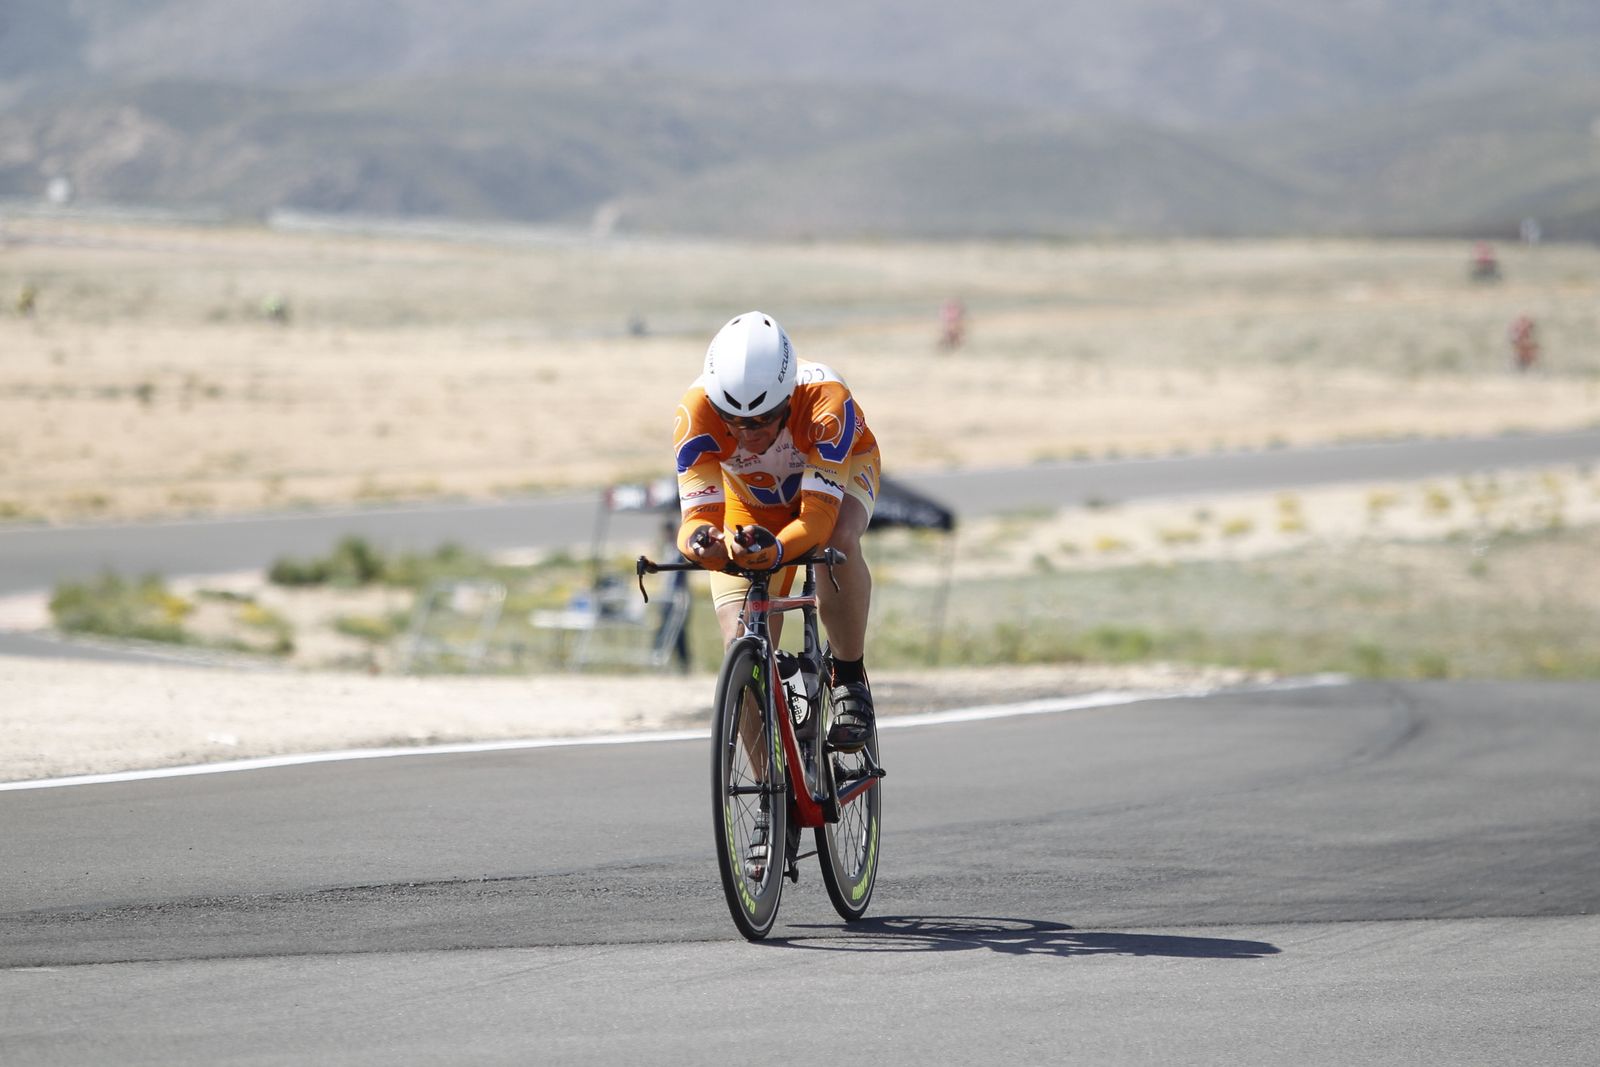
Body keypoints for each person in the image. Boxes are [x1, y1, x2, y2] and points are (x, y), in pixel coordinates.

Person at [672, 311, 881, 751]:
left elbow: (817, 522)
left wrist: (775, 551)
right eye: (735, 420)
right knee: (739, 642)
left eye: (764, 419)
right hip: (750, 501)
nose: (749, 434)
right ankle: (773, 803)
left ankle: (848, 680)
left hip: (836, 485)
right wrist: (701, 544)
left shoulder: (826, 399)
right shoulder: (696, 415)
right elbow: (695, 520)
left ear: (788, 399)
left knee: (838, 542)